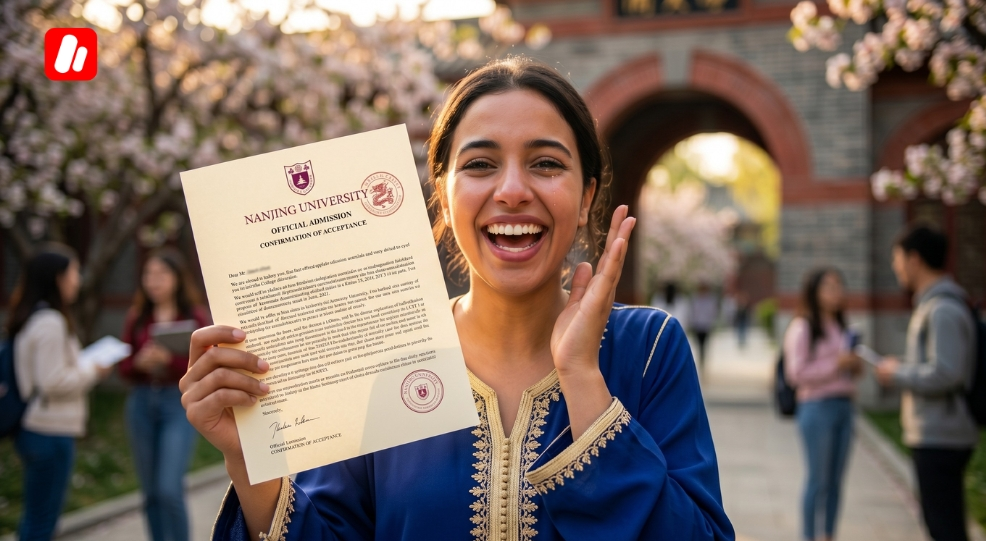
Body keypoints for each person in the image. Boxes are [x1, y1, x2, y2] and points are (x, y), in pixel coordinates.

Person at [180, 57, 734, 541]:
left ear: (587, 194)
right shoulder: (382, 358)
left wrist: (583, 380)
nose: (513, 190)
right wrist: (247, 457)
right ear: (442, 195)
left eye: (545, 163)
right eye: (480, 164)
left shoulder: (648, 349)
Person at [876, 225, 978, 541]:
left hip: (941, 434)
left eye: (898, 259)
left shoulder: (943, 308)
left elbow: (947, 372)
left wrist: (897, 374)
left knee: (944, 528)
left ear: (914, 259)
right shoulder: (935, 303)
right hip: (936, 431)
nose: (896, 267)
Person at [7, 244, 111, 541]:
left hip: (39, 429)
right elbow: (52, 381)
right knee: (42, 523)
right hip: (49, 431)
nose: (77, 280)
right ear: (57, 277)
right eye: (74, 271)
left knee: (38, 516)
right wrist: (94, 370)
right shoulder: (50, 321)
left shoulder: (34, 317)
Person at [118, 248, 211, 541]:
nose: (153, 280)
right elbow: (124, 367)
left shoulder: (195, 316)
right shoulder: (138, 318)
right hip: (142, 402)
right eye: (149, 274)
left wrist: (168, 361)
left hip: (178, 402)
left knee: (169, 489)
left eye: (161, 274)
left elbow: (208, 364)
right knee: (150, 494)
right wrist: (139, 363)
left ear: (177, 278)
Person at [784, 268, 863, 541]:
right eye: (829, 286)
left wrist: (854, 365)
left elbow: (849, 370)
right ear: (814, 291)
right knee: (818, 480)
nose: (836, 292)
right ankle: (808, 536)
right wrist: (835, 364)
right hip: (816, 408)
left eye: (839, 286)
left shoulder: (843, 327)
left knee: (836, 482)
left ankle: (828, 534)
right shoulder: (802, 327)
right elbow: (795, 374)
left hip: (845, 406)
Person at [689, 283, 719, 371]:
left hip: (706, 325)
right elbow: (692, 312)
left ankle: (703, 361)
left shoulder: (710, 299)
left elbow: (713, 312)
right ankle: (700, 360)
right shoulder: (695, 299)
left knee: (704, 345)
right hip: (697, 325)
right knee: (699, 345)